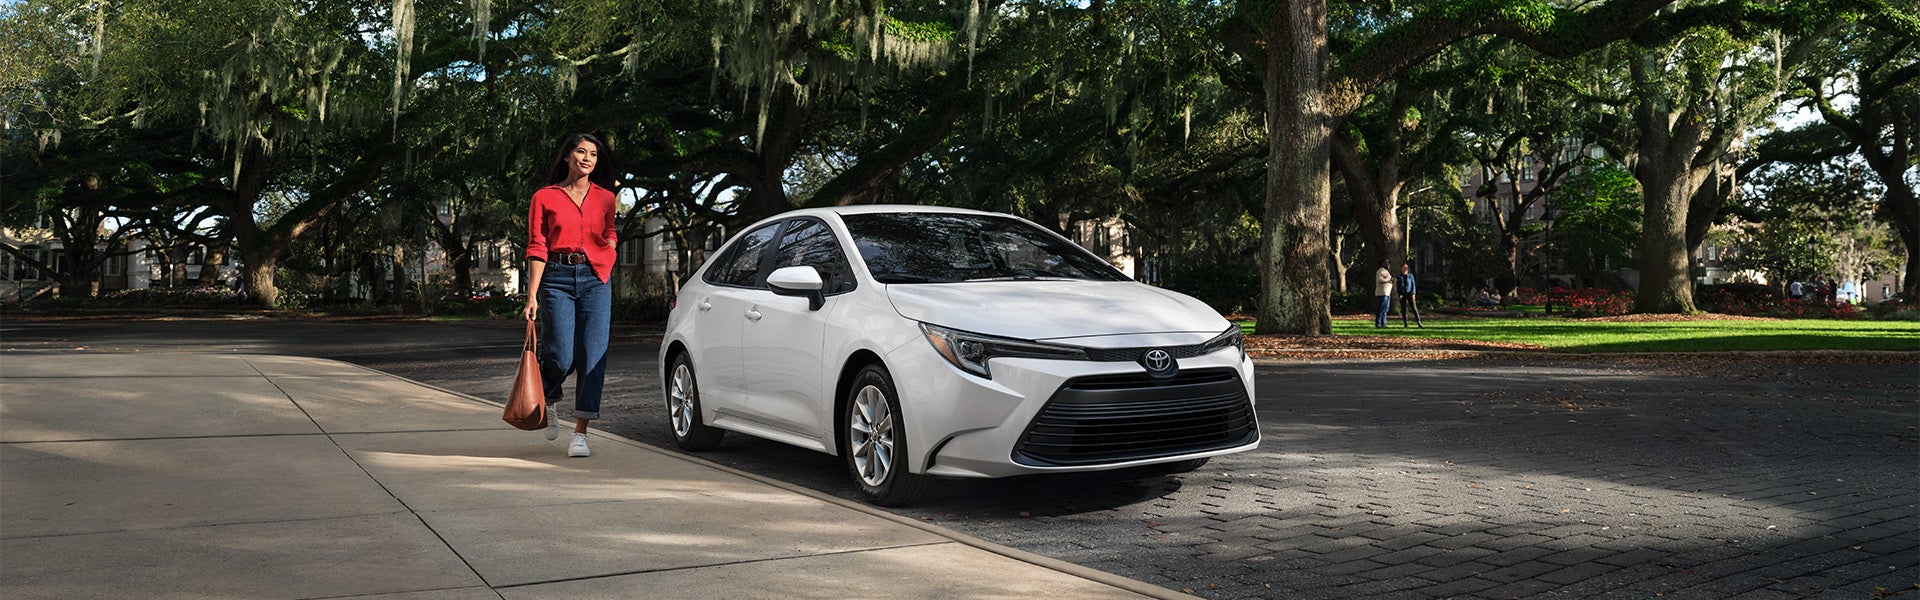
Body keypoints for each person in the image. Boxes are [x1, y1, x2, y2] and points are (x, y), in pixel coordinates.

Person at [522, 132, 619, 458]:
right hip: (557, 278)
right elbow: (537, 245)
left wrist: (610, 248)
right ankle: (549, 397)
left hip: (596, 278)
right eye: (581, 151)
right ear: (567, 156)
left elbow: (609, 231)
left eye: (593, 154)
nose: (587, 158)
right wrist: (532, 295)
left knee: (593, 356)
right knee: (560, 355)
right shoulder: (544, 197)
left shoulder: (606, 198)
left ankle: (580, 432)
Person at [1397, 263, 1422, 328]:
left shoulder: (1410, 276)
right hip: (1403, 294)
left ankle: (1419, 322)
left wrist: (1413, 293)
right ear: (1401, 268)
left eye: (1406, 267)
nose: (1405, 269)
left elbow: (1413, 285)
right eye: (1404, 267)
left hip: (1409, 293)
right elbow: (1398, 287)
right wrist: (1399, 294)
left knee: (1414, 308)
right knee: (1404, 309)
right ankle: (1405, 323)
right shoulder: (1399, 277)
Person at [1373, 260, 1393, 328]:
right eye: (1385, 263)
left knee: (1385, 310)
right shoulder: (1380, 271)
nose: (1387, 264)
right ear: (1382, 264)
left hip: (1387, 293)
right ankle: (1378, 324)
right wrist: (1389, 279)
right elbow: (1380, 279)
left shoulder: (1386, 271)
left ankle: (1384, 324)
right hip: (1381, 293)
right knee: (1381, 309)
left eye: (1388, 263)